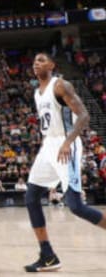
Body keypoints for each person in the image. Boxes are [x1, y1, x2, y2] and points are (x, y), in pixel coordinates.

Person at [24, 53, 106, 272]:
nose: (36, 63)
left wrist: (68, 142)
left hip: (65, 144)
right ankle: (48, 255)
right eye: (34, 61)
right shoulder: (36, 92)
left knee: (76, 206)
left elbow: (84, 115)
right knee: (31, 197)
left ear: (51, 65)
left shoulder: (60, 85)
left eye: (41, 60)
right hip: (48, 146)